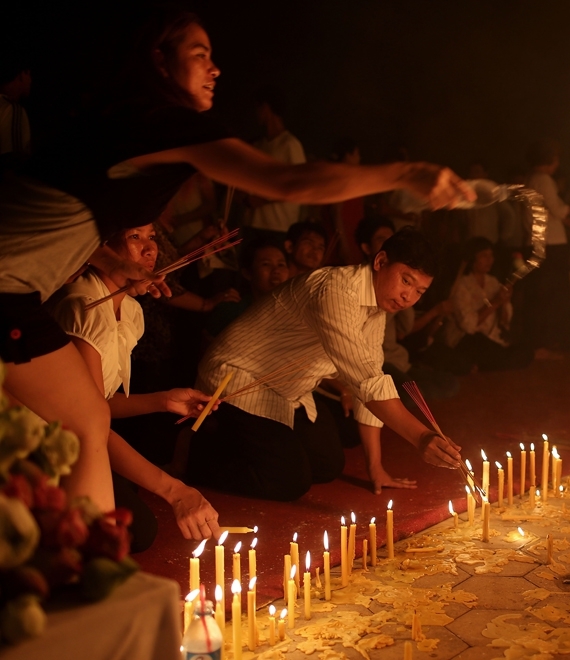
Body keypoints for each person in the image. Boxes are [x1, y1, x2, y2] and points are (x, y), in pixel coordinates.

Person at [0, 7, 473, 529]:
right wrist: (408, 173)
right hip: (6, 292)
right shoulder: (157, 123)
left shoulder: (125, 129)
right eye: (199, 54)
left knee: (85, 422)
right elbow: (290, 183)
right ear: (158, 62)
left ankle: (84, 571)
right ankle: (85, 572)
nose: (215, 69)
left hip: (16, 294)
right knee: (89, 422)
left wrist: (120, 266)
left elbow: (69, 220)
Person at [189, 229, 463, 500]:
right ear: (380, 262)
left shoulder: (376, 307)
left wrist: (376, 468)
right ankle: (197, 455)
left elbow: (370, 378)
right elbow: (367, 383)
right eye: (406, 281)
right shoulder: (336, 290)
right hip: (239, 378)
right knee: (289, 482)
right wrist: (421, 437)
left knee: (327, 466)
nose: (409, 297)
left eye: (419, 291)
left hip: (289, 390)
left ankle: (246, 442)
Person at [46, 223, 219, 550]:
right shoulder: (82, 305)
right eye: (134, 237)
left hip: (79, 431)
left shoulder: (129, 308)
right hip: (47, 441)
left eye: (152, 237)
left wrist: (165, 401)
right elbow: (84, 419)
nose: (150, 249)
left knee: (132, 513)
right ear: (104, 248)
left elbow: (99, 403)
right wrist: (175, 491)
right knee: (132, 530)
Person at [355, 216, 458, 403]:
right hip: (378, 365)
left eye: (419, 290)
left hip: (398, 360)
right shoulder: (356, 289)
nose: (408, 295)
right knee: (412, 397)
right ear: (370, 251)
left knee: (448, 382)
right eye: (381, 239)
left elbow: (405, 328)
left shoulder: (398, 291)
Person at [523, 140, 570, 353]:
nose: (557, 163)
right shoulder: (544, 179)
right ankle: (544, 345)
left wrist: (569, 223)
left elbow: (548, 211)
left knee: (541, 295)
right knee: (550, 297)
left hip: (537, 242)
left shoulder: (531, 178)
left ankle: (541, 344)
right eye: (556, 158)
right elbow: (559, 209)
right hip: (550, 245)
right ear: (549, 159)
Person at [445, 237, 533, 371]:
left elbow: (504, 322)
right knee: (479, 343)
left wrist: (504, 302)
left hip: (492, 340)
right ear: (473, 259)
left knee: (525, 351)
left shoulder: (493, 282)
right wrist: (495, 302)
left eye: (491, 255)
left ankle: (485, 364)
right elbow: (469, 326)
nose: (489, 260)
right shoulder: (461, 285)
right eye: (484, 256)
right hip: (467, 340)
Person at [240, 86, 306, 238]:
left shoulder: (289, 144)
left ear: (265, 107)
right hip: (252, 224)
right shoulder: (258, 146)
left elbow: (300, 185)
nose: (256, 114)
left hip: (278, 226)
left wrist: (264, 199)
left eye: (257, 108)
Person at [204, 237, 289, 339]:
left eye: (281, 264)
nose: (276, 270)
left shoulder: (295, 313)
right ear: (248, 273)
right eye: (266, 264)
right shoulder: (231, 312)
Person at [0, 57, 31, 170]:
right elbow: (13, 162)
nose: (31, 80)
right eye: (29, 75)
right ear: (22, 75)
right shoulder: (12, 110)